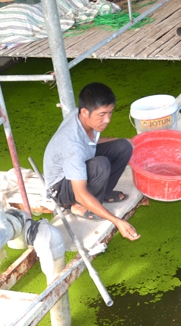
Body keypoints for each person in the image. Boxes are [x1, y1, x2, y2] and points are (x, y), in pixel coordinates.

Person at [43, 82, 140, 241]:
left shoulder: (83, 117)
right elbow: (80, 193)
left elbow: (91, 141)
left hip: (81, 160)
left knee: (123, 146)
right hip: (60, 187)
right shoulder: (72, 145)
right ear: (85, 112)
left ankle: (104, 194)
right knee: (100, 165)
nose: (107, 120)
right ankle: (77, 207)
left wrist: (123, 140)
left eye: (110, 112)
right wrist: (117, 221)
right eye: (102, 114)